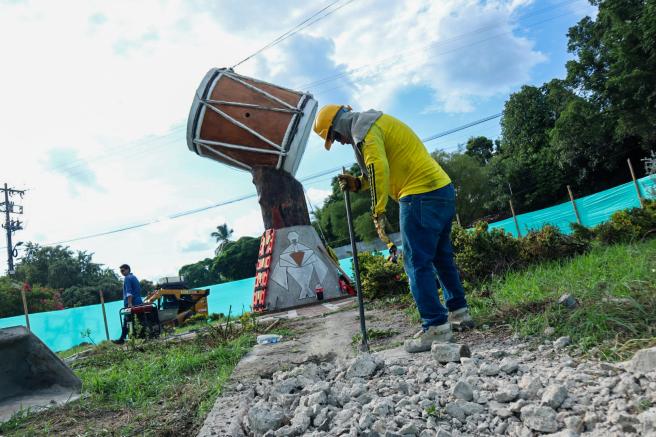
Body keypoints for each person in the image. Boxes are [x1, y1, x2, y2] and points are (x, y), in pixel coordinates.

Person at [313, 105, 474, 353]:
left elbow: (378, 168)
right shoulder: (375, 122)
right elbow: (379, 169)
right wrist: (358, 184)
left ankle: (435, 327)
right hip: (442, 188)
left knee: (416, 263)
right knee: (441, 258)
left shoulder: (363, 132)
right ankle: (459, 313)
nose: (341, 143)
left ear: (338, 126)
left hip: (418, 195)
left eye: (335, 137)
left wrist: (377, 209)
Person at [112, 264, 144, 345]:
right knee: (139, 320)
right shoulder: (134, 277)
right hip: (138, 303)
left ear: (128, 269)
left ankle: (123, 339)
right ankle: (141, 337)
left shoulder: (127, 278)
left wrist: (129, 303)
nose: (121, 273)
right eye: (120, 271)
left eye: (123, 271)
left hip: (131, 304)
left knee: (127, 321)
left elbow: (129, 293)